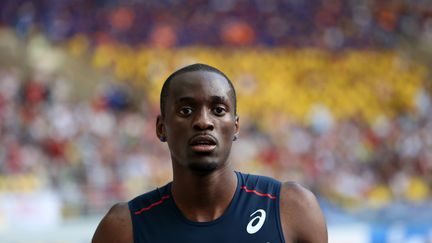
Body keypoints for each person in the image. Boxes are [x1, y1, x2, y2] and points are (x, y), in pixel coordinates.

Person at [92, 63, 327, 243]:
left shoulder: (292, 207)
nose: (204, 121)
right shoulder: (123, 227)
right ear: (161, 127)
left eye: (218, 109)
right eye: (186, 110)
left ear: (235, 127)